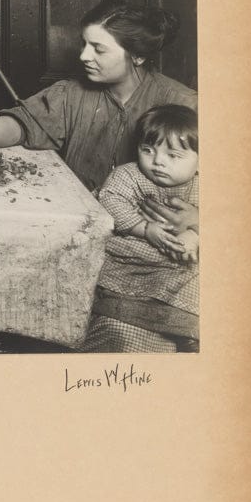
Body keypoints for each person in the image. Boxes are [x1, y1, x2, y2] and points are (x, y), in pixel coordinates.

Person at [0, 0, 197, 194]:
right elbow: (25, 124)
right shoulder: (71, 93)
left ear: (138, 56)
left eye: (99, 49)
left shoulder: (185, 103)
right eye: (84, 44)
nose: (84, 56)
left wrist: (195, 220)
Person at [85, 105, 199, 353]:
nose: (157, 161)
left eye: (173, 156)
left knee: (199, 284)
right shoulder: (128, 175)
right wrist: (144, 228)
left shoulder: (204, 183)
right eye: (147, 150)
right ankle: (136, 316)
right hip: (134, 259)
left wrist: (195, 234)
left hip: (179, 267)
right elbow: (110, 201)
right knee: (119, 299)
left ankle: (187, 330)